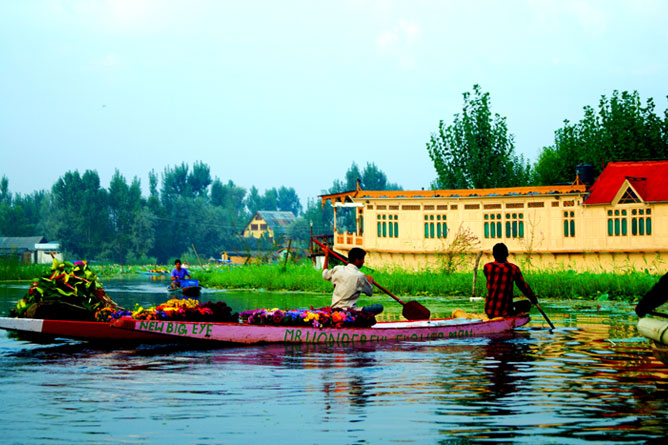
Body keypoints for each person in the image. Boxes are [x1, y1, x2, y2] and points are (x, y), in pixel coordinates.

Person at [322, 247, 383, 314]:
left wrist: (326, 255)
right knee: (379, 307)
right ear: (357, 260)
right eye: (362, 259)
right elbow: (369, 292)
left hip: (335, 310)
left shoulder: (338, 269)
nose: (363, 261)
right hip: (350, 311)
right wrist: (370, 280)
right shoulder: (360, 276)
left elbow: (324, 274)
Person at [483, 243, 537, 318]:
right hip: (505, 310)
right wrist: (533, 299)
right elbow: (522, 286)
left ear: (494, 255)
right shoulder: (513, 269)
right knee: (527, 304)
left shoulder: (487, 267)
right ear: (507, 255)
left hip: (489, 309)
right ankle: (512, 315)